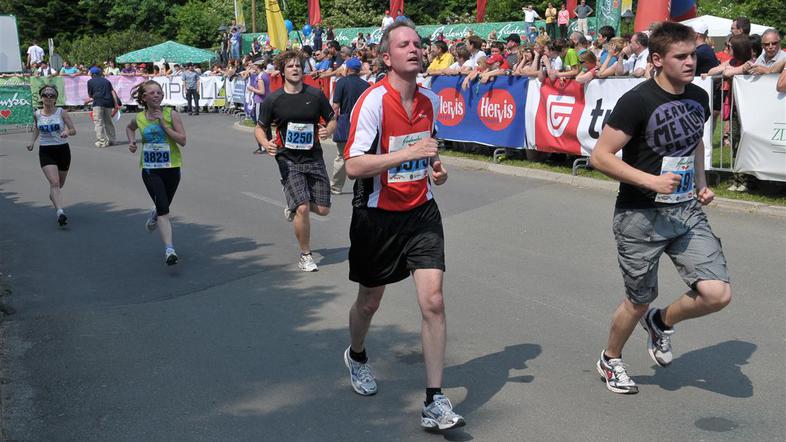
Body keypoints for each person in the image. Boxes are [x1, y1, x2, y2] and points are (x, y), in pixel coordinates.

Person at [589, 22, 731, 395]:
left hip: (685, 211)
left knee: (717, 293)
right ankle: (611, 358)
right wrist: (650, 181)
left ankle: (661, 322)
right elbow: (600, 157)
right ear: (657, 59)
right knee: (638, 300)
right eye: (680, 57)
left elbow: (696, 142)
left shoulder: (698, 97)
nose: (690, 63)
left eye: (693, 56)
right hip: (640, 217)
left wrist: (701, 183)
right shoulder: (637, 100)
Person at [342, 19, 464, 431]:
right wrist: (406, 153)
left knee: (433, 301)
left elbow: (426, 152)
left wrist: (435, 167)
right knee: (369, 302)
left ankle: (434, 400)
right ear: (386, 56)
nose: (414, 49)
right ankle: (357, 354)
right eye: (403, 44)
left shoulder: (429, 100)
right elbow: (354, 165)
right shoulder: (373, 101)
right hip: (377, 214)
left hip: (421, 211)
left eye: (418, 43)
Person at [255, 50, 336, 272]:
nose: (295, 69)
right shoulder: (274, 99)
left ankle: (293, 203)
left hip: (313, 156)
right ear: (282, 71)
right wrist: (266, 142)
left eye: (298, 66)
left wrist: (327, 131)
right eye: (290, 66)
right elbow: (260, 127)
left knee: (322, 209)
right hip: (287, 158)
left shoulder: (315, 95)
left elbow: (331, 119)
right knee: (302, 207)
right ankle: (306, 255)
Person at [126, 80, 188, 265]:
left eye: (159, 92)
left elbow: (183, 140)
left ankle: (155, 213)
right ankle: (169, 250)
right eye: (152, 93)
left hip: (172, 167)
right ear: (144, 97)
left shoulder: (171, 114)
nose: (156, 95)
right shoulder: (139, 118)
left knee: (164, 204)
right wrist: (131, 141)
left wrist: (164, 125)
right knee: (164, 209)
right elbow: (129, 128)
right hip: (150, 169)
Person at [26, 85, 76, 227]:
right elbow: (36, 128)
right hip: (46, 151)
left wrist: (67, 132)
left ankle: (54, 196)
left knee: (60, 184)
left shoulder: (61, 112)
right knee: (54, 183)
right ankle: (60, 212)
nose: (48, 97)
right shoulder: (37, 114)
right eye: (45, 95)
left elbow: (73, 130)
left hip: (62, 150)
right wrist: (31, 142)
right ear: (41, 97)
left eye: (52, 95)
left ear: (55, 99)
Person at [330, 58, 369, 194]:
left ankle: (336, 187)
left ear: (347, 69)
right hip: (361, 124)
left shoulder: (341, 82)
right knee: (361, 156)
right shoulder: (366, 85)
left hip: (345, 121)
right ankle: (363, 187)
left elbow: (336, 106)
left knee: (341, 156)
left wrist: (332, 124)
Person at [86, 66, 119, 148]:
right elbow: (113, 92)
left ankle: (102, 141)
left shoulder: (90, 82)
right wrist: (116, 104)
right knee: (108, 122)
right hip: (108, 103)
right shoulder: (106, 81)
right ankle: (112, 139)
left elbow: (91, 95)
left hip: (98, 103)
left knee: (99, 122)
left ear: (92, 74)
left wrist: (88, 100)